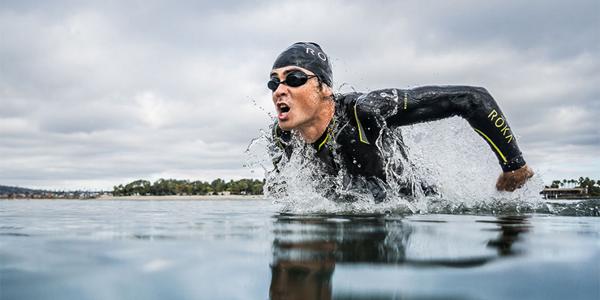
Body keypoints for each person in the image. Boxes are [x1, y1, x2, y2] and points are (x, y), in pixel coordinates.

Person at [268, 42, 534, 202]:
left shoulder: (364, 112)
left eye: (294, 79)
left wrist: (514, 166)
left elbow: (473, 99)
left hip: (416, 211)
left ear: (325, 88)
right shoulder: (283, 138)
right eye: (273, 82)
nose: (279, 90)